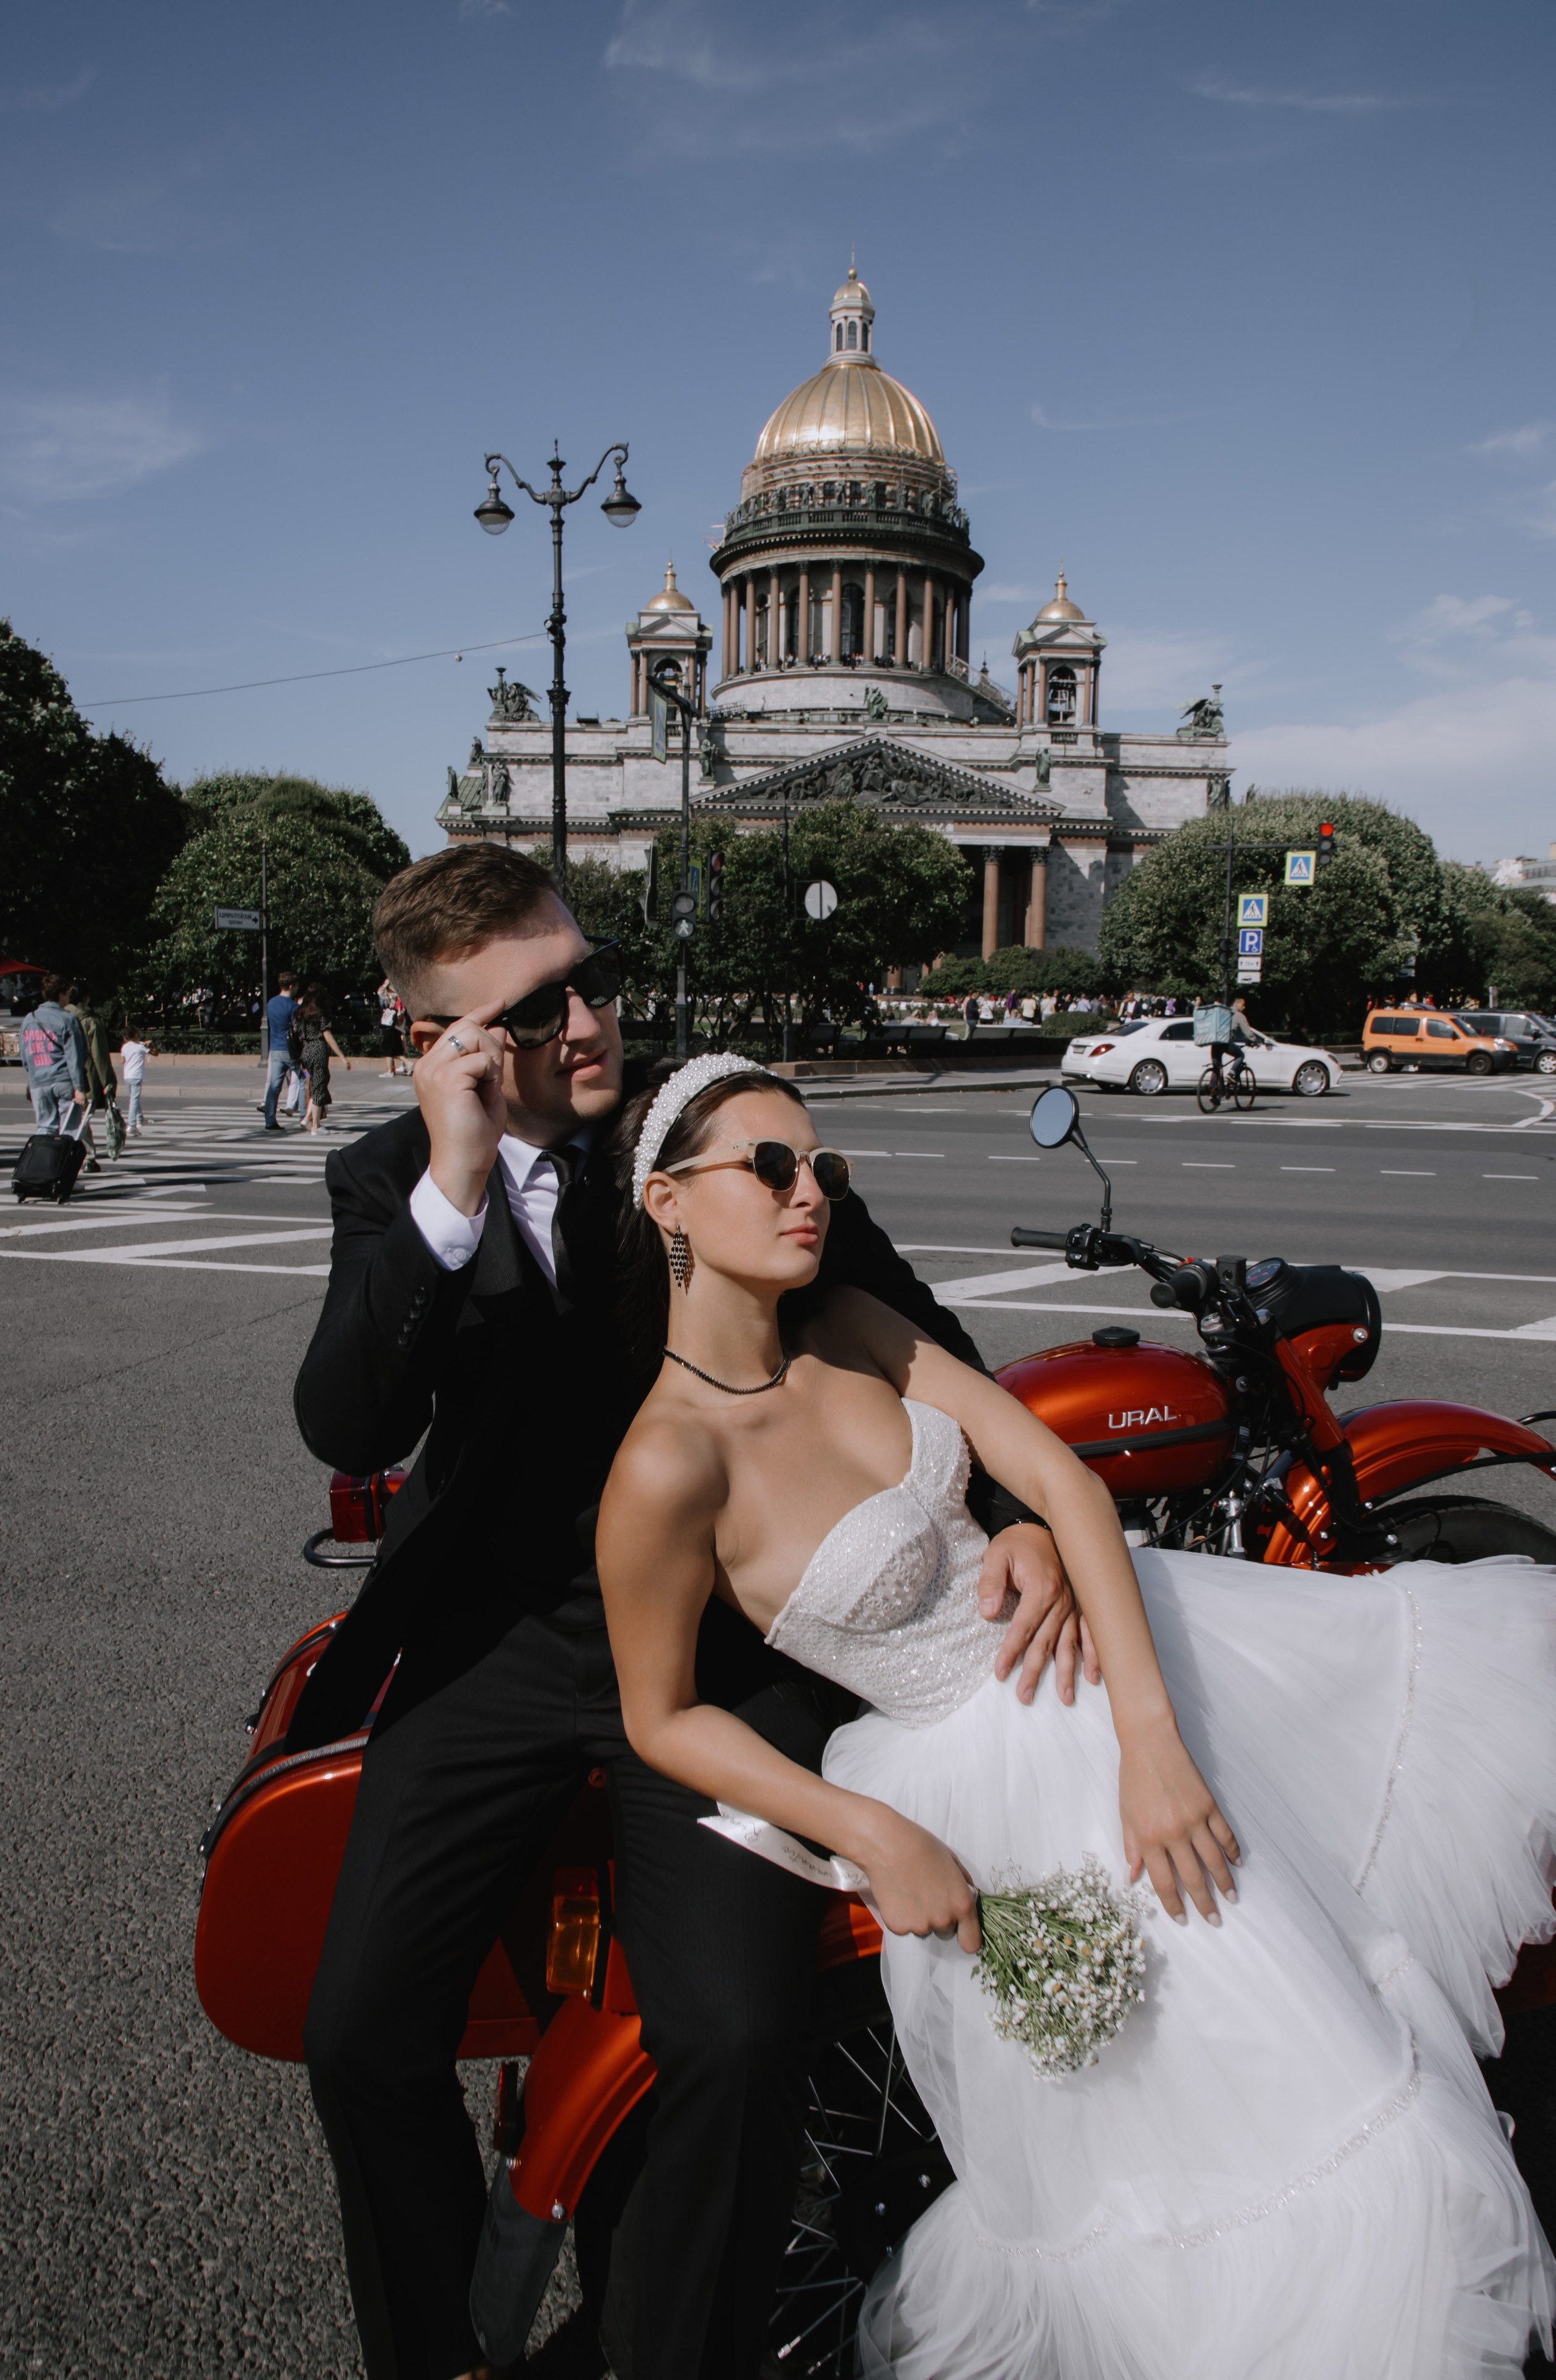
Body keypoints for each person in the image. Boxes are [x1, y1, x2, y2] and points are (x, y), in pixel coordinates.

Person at [598, 1057, 1556, 2380]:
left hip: (1130, 1664)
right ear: (667, 1203)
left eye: (823, 1166)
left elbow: (1054, 1476)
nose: (807, 1192)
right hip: (972, 1769)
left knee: (1313, 1995)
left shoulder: (854, 1327)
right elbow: (660, 1714)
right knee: (1216, 2090)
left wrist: (1147, 1736)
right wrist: (867, 1830)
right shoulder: (666, 1460)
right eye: (768, 1167)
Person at [288, 844, 1079, 2380]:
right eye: (530, 1012)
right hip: (501, 1653)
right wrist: (455, 1182)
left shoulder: (712, 1145)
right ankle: (442, 2354)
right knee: (358, 2033)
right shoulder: (390, 1181)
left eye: (592, 978)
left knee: (735, 2033)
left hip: (728, 1654)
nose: (586, 1021)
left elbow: (930, 1341)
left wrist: (1017, 1518)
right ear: (441, 1043)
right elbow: (346, 1419)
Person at [19, 974, 89, 1137]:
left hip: (39, 1082)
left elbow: (25, 1056)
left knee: (45, 1129)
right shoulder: (68, 1020)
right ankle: (66, 1162)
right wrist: (79, 1088)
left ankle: (48, 1162)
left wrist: (33, 1077)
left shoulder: (30, 1019)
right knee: (69, 1130)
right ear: (60, 995)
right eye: (67, 993)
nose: (68, 997)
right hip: (63, 1080)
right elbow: (76, 1056)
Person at [66, 981, 116, 1171]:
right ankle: (86, 1157)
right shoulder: (90, 1021)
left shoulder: (59, 1018)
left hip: (62, 1078)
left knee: (74, 1119)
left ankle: (87, 1155)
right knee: (83, 1119)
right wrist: (108, 1082)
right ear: (85, 999)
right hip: (87, 1078)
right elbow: (100, 1055)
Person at [298, 987, 351, 1132]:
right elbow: (328, 1036)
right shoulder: (320, 1014)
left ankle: (307, 1117)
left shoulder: (301, 1014)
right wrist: (342, 1057)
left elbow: (297, 1032)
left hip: (306, 1051)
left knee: (316, 1085)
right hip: (319, 1050)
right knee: (320, 1087)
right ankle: (316, 1126)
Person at [262, 973, 302, 1131]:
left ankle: (270, 1120)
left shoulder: (271, 1003)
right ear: (291, 986)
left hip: (275, 1049)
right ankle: (305, 1115)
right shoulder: (293, 1006)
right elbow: (298, 1029)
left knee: (274, 1086)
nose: (298, 989)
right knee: (304, 1078)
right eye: (297, 986)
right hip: (291, 1051)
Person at [119, 1026, 152, 1136]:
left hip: (127, 1076)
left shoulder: (125, 1047)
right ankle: (132, 1125)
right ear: (136, 1035)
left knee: (134, 1098)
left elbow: (122, 1061)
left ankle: (140, 1119)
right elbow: (153, 1052)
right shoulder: (140, 1046)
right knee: (134, 1100)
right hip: (137, 1076)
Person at [377, 977, 408, 1076]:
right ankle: (397, 1067)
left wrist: (385, 985)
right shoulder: (401, 997)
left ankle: (392, 1070)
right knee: (396, 1047)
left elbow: (380, 993)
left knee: (389, 1048)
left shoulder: (393, 998)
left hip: (392, 1025)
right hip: (399, 1026)